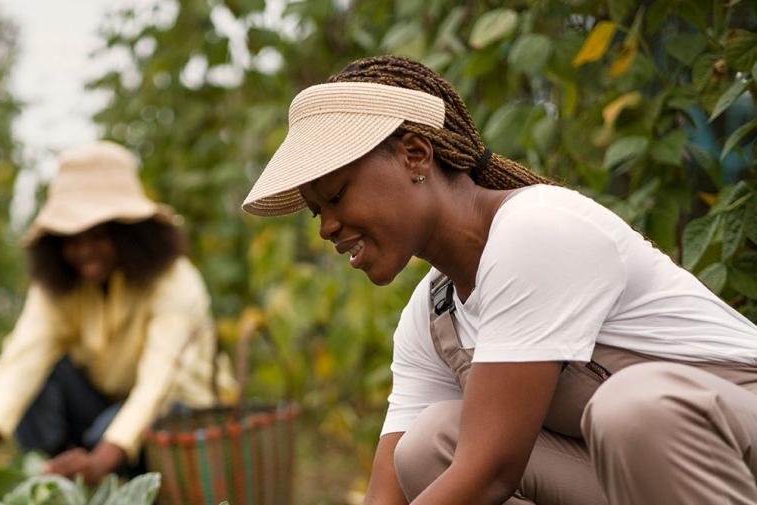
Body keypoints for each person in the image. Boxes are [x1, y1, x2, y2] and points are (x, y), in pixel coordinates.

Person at [242, 55, 757, 505]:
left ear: (415, 154)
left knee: (633, 408)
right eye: (317, 214)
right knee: (431, 446)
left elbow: (489, 474)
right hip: (647, 481)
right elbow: (389, 495)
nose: (328, 227)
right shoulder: (435, 314)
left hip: (737, 454)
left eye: (335, 197)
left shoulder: (538, 229)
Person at [0, 141, 235, 491]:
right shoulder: (62, 288)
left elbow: (159, 385)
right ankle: (62, 480)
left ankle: (111, 479)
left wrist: (101, 459)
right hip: (106, 408)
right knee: (41, 383)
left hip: (182, 417)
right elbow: (23, 357)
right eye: (71, 240)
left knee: (112, 426)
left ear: (130, 235)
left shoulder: (175, 281)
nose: (83, 251)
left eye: (98, 236)